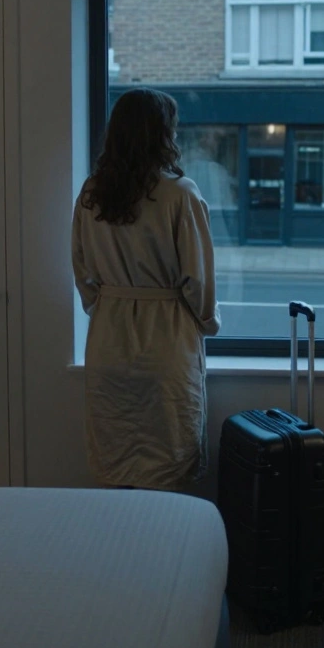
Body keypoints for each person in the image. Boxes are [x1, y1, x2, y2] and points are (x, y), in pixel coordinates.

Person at [71, 88, 221, 491]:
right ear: (163, 134)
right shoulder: (179, 193)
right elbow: (198, 278)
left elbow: (82, 268)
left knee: (115, 454)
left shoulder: (91, 192)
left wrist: (104, 308)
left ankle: (119, 549)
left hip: (108, 341)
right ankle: (161, 549)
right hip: (164, 343)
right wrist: (206, 322)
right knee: (166, 459)